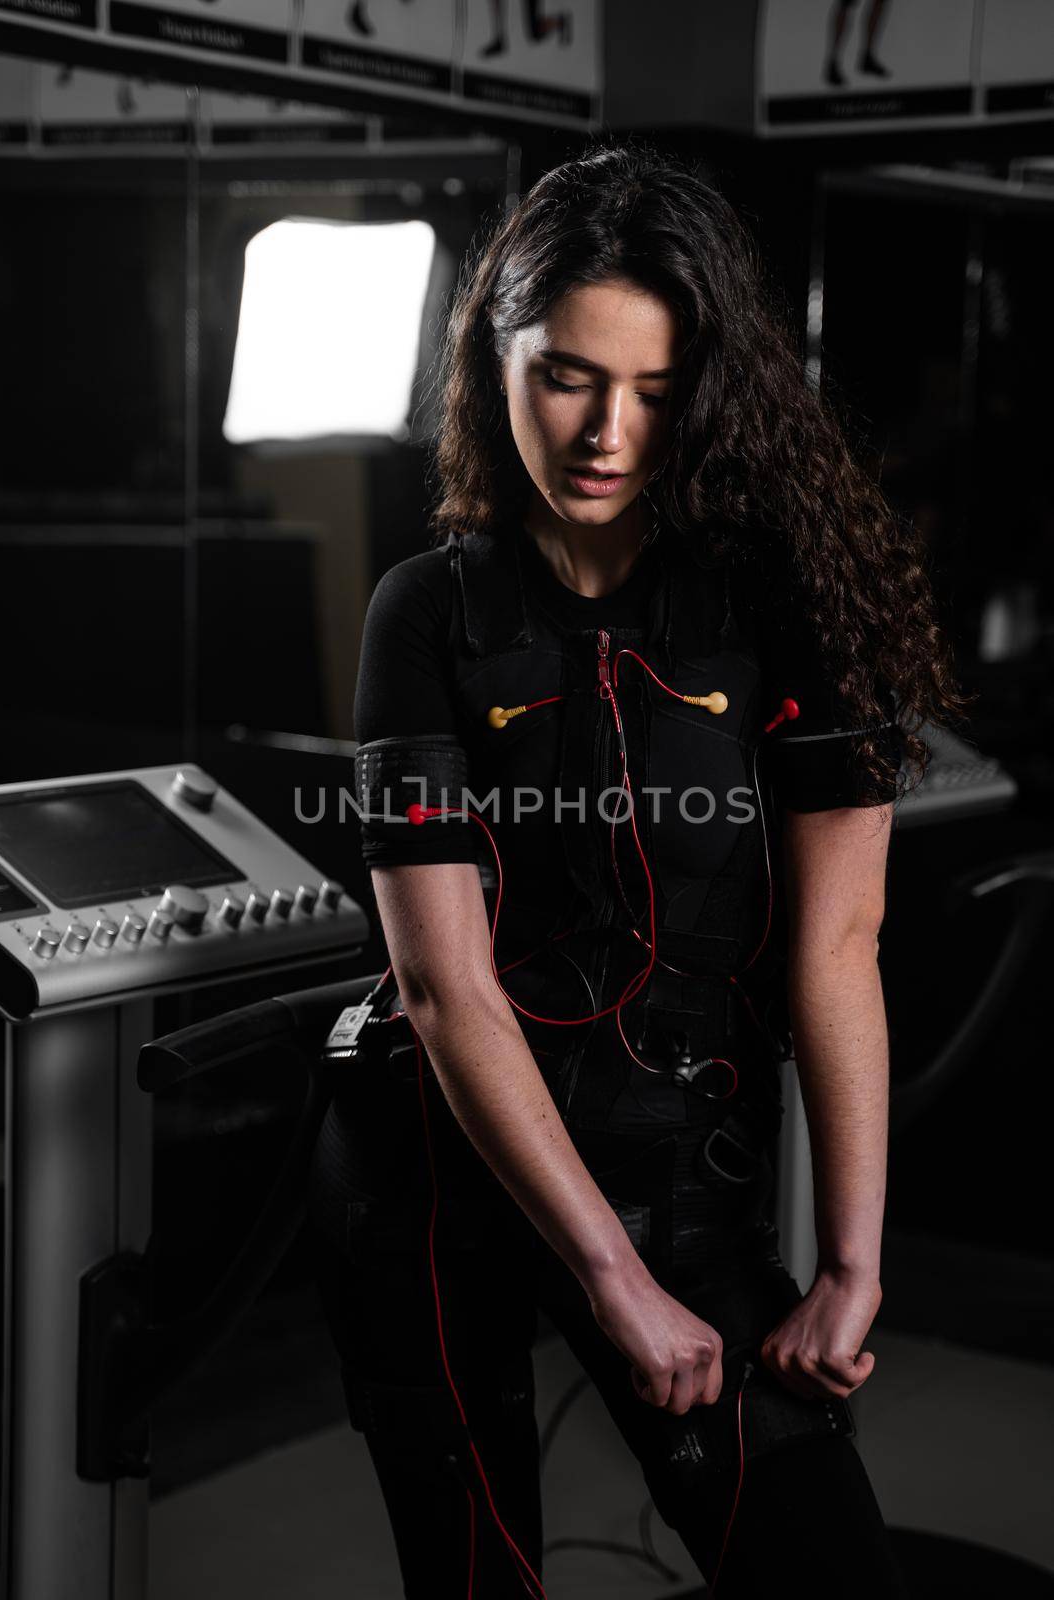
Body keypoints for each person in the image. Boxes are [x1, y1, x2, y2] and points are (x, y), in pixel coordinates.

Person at [307, 141, 966, 1598]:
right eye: (569, 378)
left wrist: (851, 1265)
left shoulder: (780, 597)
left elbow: (837, 947)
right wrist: (609, 1282)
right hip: (440, 1181)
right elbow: (440, 984)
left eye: (660, 395)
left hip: (684, 1194)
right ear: (496, 354)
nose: (610, 432)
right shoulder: (423, 611)